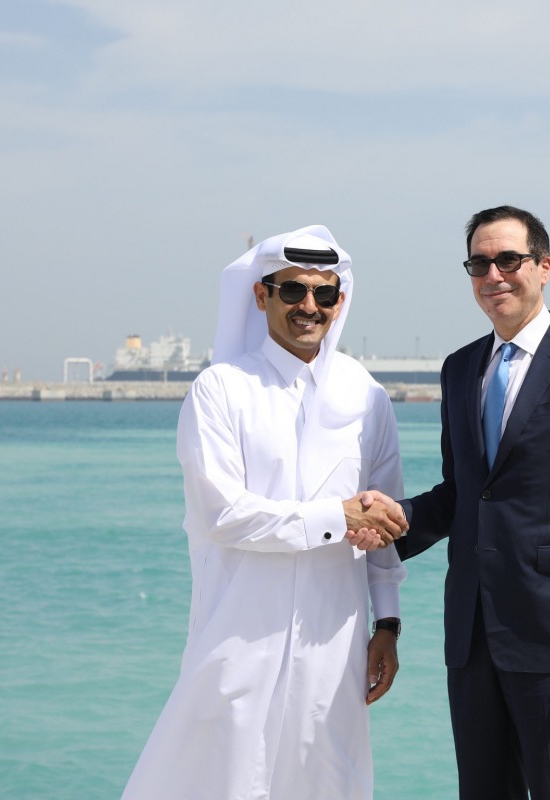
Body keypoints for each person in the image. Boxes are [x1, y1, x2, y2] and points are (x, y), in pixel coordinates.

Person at [122, 225, 409, 799]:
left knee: (328, 780)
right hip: (239, 635)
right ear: (261, 296)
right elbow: (222, 515)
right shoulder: (220, 390)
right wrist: (337, 515)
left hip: (336, 640)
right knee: (216, 779)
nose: (309, 307)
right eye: (293, 291)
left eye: (324, 294)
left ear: (340, 302)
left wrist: (389, 625)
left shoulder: (366, 395)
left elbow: (385, 522)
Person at [388, 206, 550, 799]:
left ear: (544, 267)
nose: (494, 274)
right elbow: (464, 493)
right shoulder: (459, 369)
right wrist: (395, 521)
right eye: (479, 263)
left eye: (509, 259)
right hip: (472, 627)